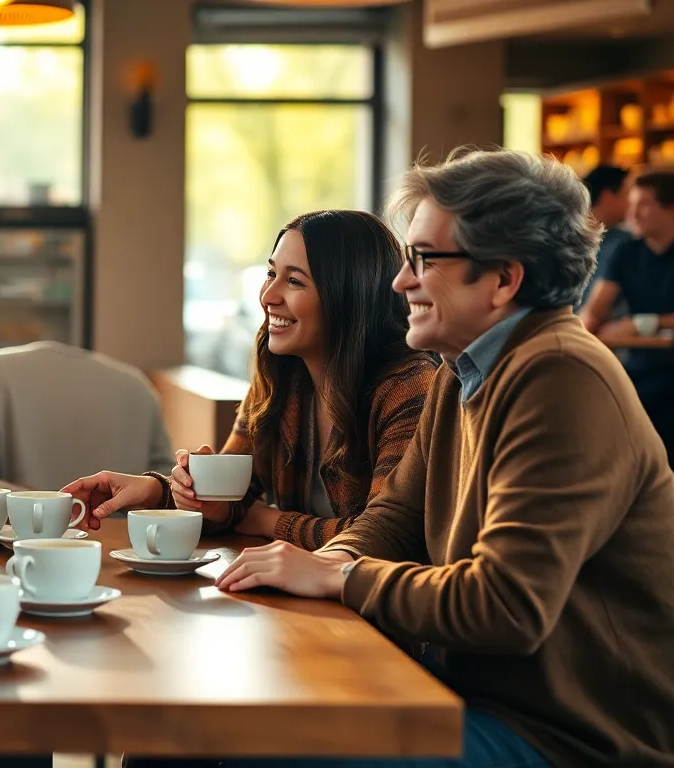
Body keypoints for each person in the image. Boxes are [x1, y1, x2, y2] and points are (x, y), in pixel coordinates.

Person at [211, 149, 674, 767]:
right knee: (212, 722)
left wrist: (337, 575)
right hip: (468, 699)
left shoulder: (561, 375)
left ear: (504, 279)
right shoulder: (463, 375)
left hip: (566, 739)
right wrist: (323, 560)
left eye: (423, 260)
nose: (401, 281)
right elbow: (394, 520)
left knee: (264, 740)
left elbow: (505, 607)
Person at [63, 211, 435, 549]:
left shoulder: (409, 387)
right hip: (302, 600)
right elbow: (229, 503)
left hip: (375, 614)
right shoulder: (281, 376)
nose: (268, 296)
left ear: (348, 295)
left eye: (294, 281)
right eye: (271, 273)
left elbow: (383, 538)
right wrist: (158, 490)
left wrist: (266, 520)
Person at [0, 340, 175, 526]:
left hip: (16, 566)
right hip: (130, 567)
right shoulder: (137, 386)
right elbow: (174, 496)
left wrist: (37, 503)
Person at [580, 169, 674, 463]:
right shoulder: (627, 251)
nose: (632, 212)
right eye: (630, 202)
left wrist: (642, 323)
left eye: (644, 204)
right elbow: (595, 310)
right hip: (639, 365)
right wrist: (580, 335)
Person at [575, 164, 632, 307]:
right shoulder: (623, 243)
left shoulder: (624, 238)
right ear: (608, 196)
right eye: (627, 195)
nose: (631, 203)